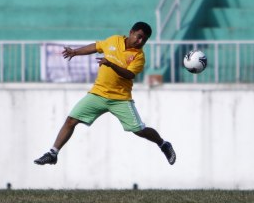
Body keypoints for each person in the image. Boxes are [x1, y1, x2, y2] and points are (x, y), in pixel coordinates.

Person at [34, 21, 176, 166]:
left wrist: (111, 64)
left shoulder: (139, 56)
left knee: (139, 130)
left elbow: (129, 75)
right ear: (131, 32)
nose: (140, 41)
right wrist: (75, 52)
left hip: (120, 99)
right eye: (139, 37)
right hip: (98, 93)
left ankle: (163, 144)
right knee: (71, 120)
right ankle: (53, 153)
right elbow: (96, 46)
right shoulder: (114, 40)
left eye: (144, 40)